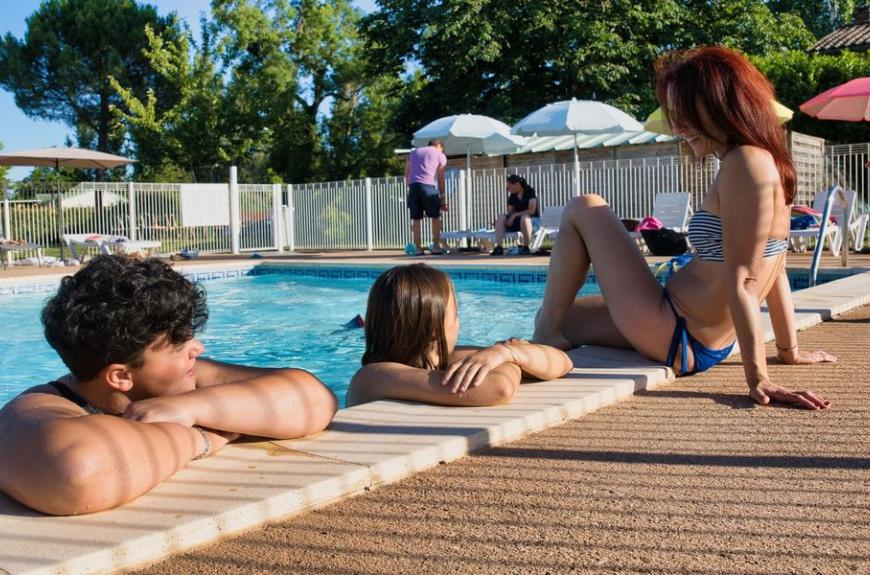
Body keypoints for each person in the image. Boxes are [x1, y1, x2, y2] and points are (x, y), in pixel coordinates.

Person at [531, 46, 836, 410]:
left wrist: (759, 378)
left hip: (677, 332)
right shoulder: (768, 161)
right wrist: (789, 351)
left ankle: (544, 336)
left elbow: (744, 279)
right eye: (674, 115)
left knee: (584, 206)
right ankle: (548, 331)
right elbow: (777, 269)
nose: (677, 127)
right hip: (694, 333)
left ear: (721, 104)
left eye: (685, 113)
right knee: (565, 316)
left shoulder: (744, 162)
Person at [0, 255, 338, 515]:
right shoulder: (34, 411)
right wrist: (200, 437)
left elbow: (314, 398)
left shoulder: (176, 382)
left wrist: (192, 407)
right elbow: (77, 473)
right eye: (180, 345)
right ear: (120, 376)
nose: (198, 348)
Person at [347, 264, 572, 407]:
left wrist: (505, 352)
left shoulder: (449, 357)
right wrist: (512, 359)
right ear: (435, 329)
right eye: (456, 313)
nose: (459, 321)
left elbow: (562, 362)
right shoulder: (373, 377)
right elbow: (498, 388)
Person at [405, 139, 448, 255]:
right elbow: (440, 178)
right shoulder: (440, 154)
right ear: (439, 146)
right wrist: (442, 197)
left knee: (416, 219)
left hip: (413, 187)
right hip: (428, 186)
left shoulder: (413, 153)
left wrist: (410, 190)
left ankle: (418, 249)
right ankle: (436, 247)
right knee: (435, 217)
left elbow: (407, 175)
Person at [491, 174, 540, 256]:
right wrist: (505, 221)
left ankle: (526, 247)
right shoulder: (513, 196)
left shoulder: (530, 192)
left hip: (532, 221)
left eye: (510, 187)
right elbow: (511, 213)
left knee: (525, 218)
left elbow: (531, 211)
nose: (508, 190)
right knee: (501, 217)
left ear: (517, 184)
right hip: (517, 221)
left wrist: (515, 215)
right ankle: (499, 247)